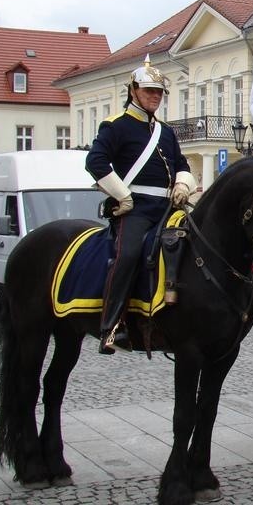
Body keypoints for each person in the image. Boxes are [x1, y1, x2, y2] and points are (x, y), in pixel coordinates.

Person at [86, 55, 196, 354]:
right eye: (149, 91)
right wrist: (122, 196)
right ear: (133, 90)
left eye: (159, 93)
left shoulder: (165, 131)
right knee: (129, 254)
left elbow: (182, 163)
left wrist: (183, 185)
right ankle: (112, 325)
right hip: (134, 208)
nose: (155, 97)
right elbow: (94, 162)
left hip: (167, 208)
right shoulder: (116, 126)